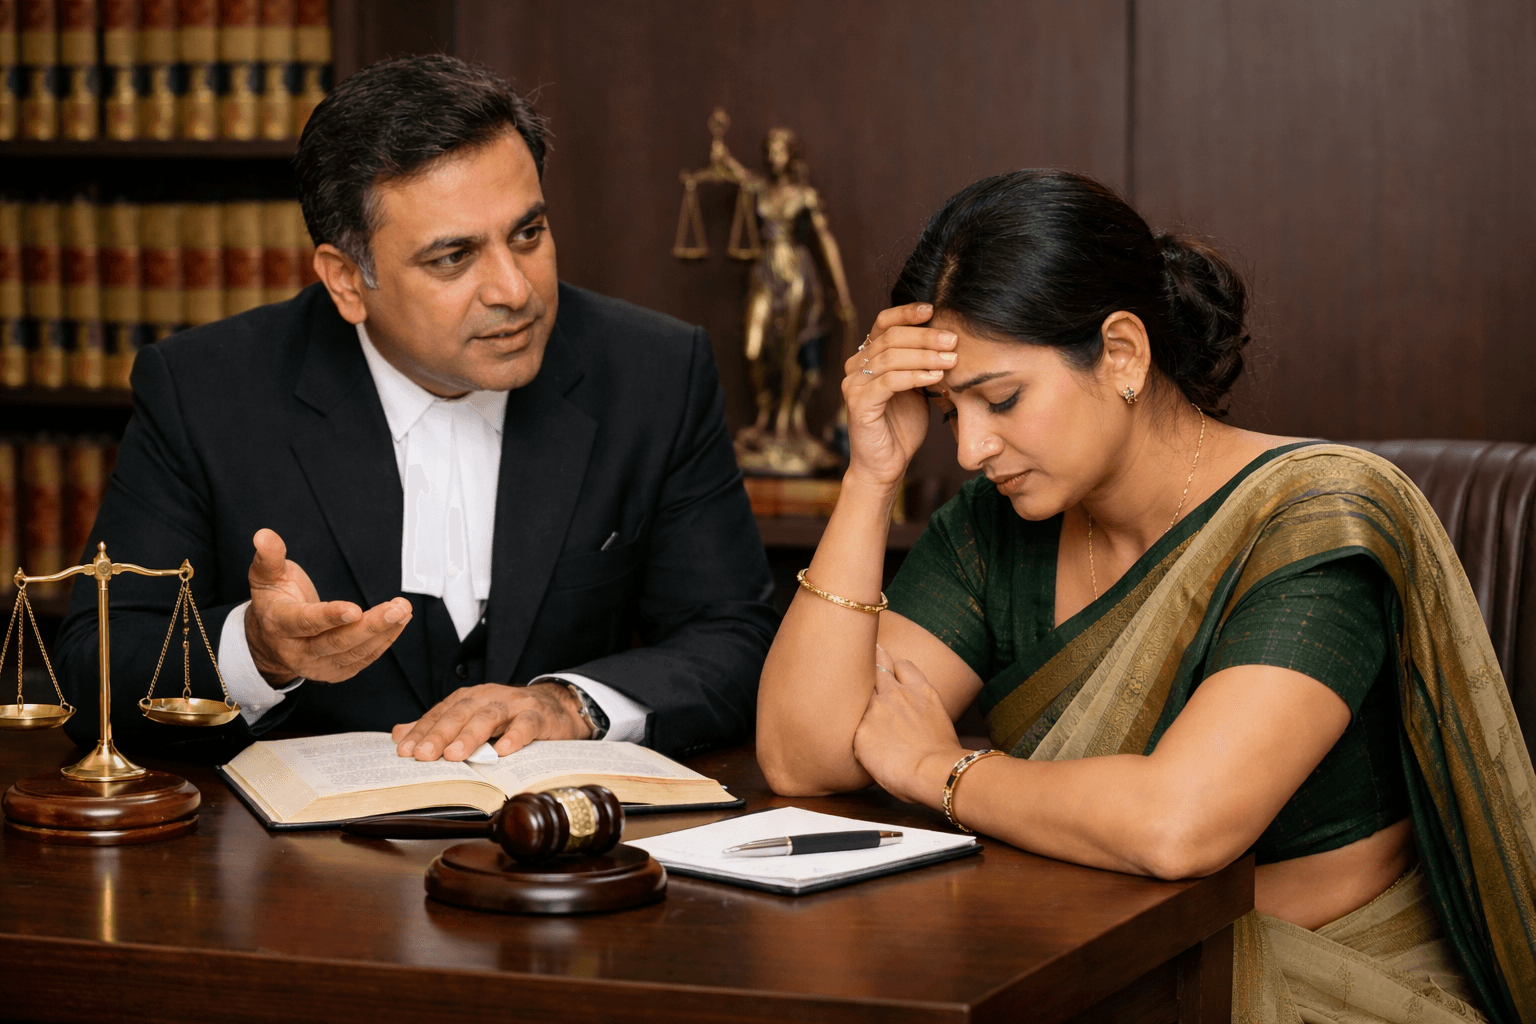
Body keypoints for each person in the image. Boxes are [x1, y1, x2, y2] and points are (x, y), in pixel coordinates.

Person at [756, 170, 1535, 1022]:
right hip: (1075, 966)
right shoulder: (997, 524)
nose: (973, 446)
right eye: (948, 413)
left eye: (1002, 398)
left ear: (1123, 352)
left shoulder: (1313, 522)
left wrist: (940, 771)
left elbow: (1180, 824)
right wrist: (871, 477)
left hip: (1320, 981)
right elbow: (806, 756)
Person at [56, 54, 777, 765]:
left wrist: (571, 703)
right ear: (346, 280)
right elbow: (94, 673)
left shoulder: (653, 370)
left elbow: (736, 637)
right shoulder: (205, 389)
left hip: (564, 856)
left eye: (528, 234)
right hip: (295, 869)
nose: (514, 290)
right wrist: (257, 652)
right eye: (452, 258)